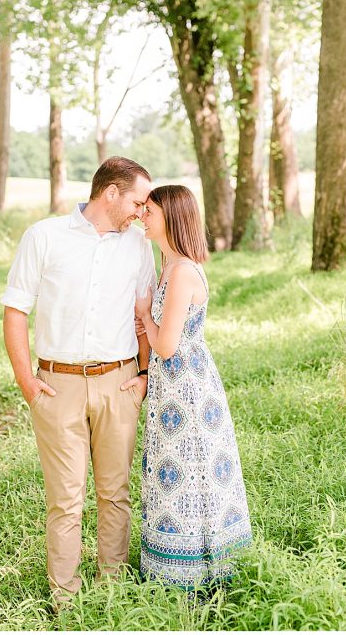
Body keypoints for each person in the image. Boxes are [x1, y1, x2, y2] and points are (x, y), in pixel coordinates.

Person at [2, 156, 156, 609]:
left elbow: (142, 316)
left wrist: (143, 375)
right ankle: (64, 602)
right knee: (65, 502)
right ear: (110, 193)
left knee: (115, 494)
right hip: (58, 386)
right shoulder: (44, 237)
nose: (142, 212)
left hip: (120, 382)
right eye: (137, 201)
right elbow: (15, 311)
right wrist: (27, 381)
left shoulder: (138, 246)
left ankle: (112, 593)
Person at [135, 184, 252, 590]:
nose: (141, 216)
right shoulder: (166, 265)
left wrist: (143, 316)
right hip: (174, 386)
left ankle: (200, 570)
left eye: (148, 210)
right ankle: (171, 565)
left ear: (171, 216)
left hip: (188, 387)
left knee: (192, 469)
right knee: (175, 469)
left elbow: (166, 345)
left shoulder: (183, 271)